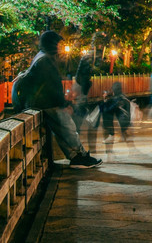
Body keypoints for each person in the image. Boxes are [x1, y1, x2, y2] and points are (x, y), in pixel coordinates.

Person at [22, 31, 102, 169]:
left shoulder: (41, 57)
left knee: (62, 129)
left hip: (38, 102)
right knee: (67, 127)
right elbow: (51, 86)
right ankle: (79, 157)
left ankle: (76, 155)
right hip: (46, 102)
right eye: (58, 44)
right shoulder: (45, 60)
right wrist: (63, 104)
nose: (60, 47)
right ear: (51, 44)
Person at [71, 54, 98, 153]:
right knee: (91, 126)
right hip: (84, 104)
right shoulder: (84, 80)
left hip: (81, 104)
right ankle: (90, 149)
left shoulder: (78, 79)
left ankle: (79, 149)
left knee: (78, 127)